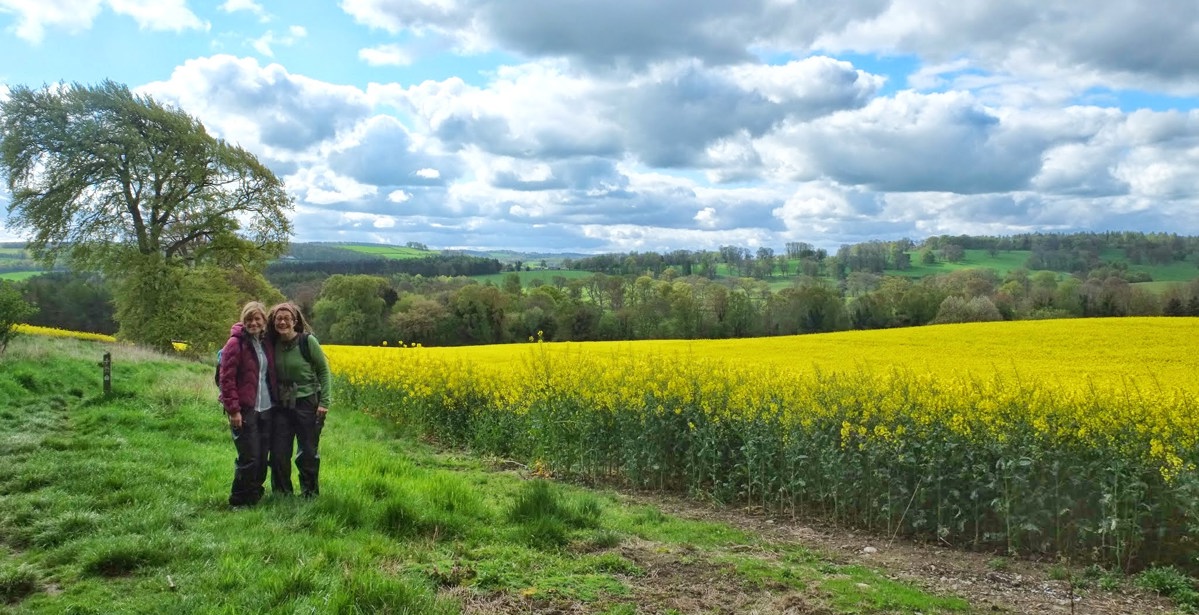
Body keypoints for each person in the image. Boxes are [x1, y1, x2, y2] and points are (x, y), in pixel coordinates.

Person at [266, 302, 332, 497]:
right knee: (278, 452)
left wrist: (324, 403)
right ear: (274, 321)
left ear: (295, 321)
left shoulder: (307, 341)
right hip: (281, 404)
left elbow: (324, 371)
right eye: (279, 318)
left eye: (287, 318)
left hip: (307, 402)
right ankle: (281, 494)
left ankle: (309, 494)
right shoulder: (272, 343)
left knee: (308, 452)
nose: (283, 322)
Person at [218, 301, 277, 508]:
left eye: (257, 319)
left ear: (263, 321)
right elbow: (226, 379)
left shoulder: (265, 342)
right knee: (249, 457)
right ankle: (238, 501)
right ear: (244, 321)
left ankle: (254, 497)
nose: (253, 323)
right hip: (245, 409)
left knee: (262, 456)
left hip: (266, 408)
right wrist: (233, 410)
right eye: (249, 319)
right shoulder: (235, 343)